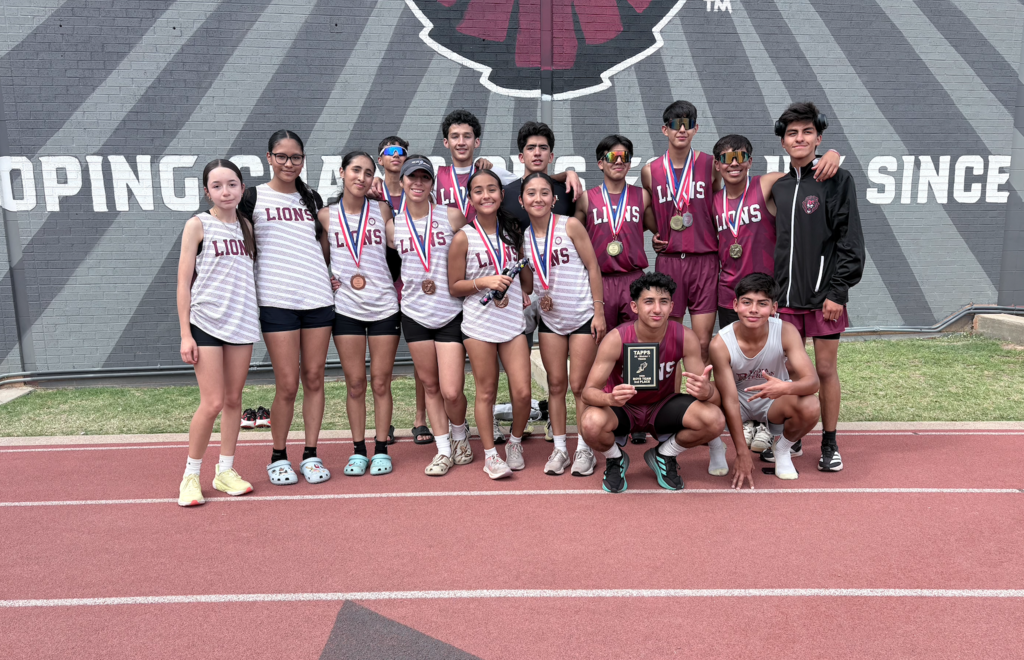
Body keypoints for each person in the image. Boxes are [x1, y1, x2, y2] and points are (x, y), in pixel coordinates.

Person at [771, 102, 864, 473]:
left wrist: (837, 292)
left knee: (825, 370)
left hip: (825, 298)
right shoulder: (777, 187)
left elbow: (850, 241)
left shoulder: (837, 179)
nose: (800, 138)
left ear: (819, 138)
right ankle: (791, 439)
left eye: (807, 132)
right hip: (787, 301)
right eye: (792, 133)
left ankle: (829, 442)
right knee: (792, 373)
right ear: (783, 142)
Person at [239, 130, 333, 486]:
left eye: (295, 157)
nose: (289, 163)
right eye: (282, 156)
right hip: (276, 301)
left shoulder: (311, 197)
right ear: (269, 158)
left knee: (314, 378)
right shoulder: (252, 197)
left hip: (318, 299)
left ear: (303, 159)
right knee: (288, 384)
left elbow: (323, 249)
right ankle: (278, 456)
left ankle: (310, 454)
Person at [579, 272, 726, 493]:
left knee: (714, 419)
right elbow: (587, 393)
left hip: (662, 407)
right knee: (590, 422)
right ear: (634, 307)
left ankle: (664, 454)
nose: (657, 309)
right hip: (624, 407)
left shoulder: (685, 336)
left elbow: (712, 397)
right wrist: (610, 398)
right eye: (649, 302)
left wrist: (706, 391)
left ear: (672, 306)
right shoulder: (616, 338)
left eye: (663, 302)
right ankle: (615, 459)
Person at [175, 160, 261, 506]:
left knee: (233, 401)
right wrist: (185, 333)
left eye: (232, 184)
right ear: (207, 190)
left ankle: (225, 471)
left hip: (241, 323)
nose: (225, 191)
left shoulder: (247, 227)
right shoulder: (198, 225)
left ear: (242, 188)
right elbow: (183, 283)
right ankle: (190, 476)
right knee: (211, 402)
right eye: (217, 186)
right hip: (206, 323)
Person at [383, 156, 472, 476]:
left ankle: (461, 431)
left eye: (424, 178)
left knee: (451, 390)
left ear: (432, 183)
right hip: (414, 314)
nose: (418, 183)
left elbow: (475, 250)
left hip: (450, 312)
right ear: (402, 181)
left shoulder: (451, 217)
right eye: (412, 177)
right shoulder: (393, 226)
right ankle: (444, 449)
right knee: (431, 387)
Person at [448, 169, 534, 479]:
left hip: (511, 322)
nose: (486, 195)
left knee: (523, 393)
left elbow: (526, 285)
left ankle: (514, 442)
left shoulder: (512, 232)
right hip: (479, 325)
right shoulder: (463, 237)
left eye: (492, 189)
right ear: (470, 198)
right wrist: (483, 281)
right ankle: (490, 455)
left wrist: (522, 262)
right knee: (486, 392)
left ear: (501, 194)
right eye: (479, 191)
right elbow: (454, 286)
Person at [321, 151, 401, 477]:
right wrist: (325, 278)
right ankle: (358, 449)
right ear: (341, 172)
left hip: (383, 305)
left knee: (381, 383)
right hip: (346, 309)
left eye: (369, 172)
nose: (362, 177)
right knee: (355, 384)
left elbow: (401, 240)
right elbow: (318, 259)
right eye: (356, 170)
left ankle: (381, 448)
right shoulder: (325, 216)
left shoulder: (382, 209)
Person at [523, 172, 606, 476]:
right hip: (551, 320)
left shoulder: (569, 225)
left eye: (544, 193)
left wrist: (599, 311)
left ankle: (585, 449)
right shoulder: (523, 238)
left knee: (579, 386)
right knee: (556, 386)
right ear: (522, 200)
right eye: (531, 193)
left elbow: (593, 266)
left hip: (582, 314)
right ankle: (560, 449)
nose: (538, 198)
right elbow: (531, 283)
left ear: (554, 199)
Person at [709, 273, 821, 486]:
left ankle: (782, 449)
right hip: (738, 397)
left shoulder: (785, 331)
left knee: (810, 404)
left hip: (773, 398)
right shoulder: (720, 343)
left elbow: (813, 382)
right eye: (747, 302)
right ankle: (716, 447)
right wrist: (742, 453)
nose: (753, 309)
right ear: (735, 305)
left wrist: (784, 388)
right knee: (701, 399)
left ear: (773, 308)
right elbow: (730, 399)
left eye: (762, 304)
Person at [377, 136, 432, 447]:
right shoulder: (372, 192)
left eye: (402, 152)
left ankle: (420, 417)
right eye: (391, 152)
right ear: (381, 159)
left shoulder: (417, 190)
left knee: (419, 358)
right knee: (382, 362)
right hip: (383, 283)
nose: (397, 156)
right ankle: (383, 423)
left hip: (416, 281)